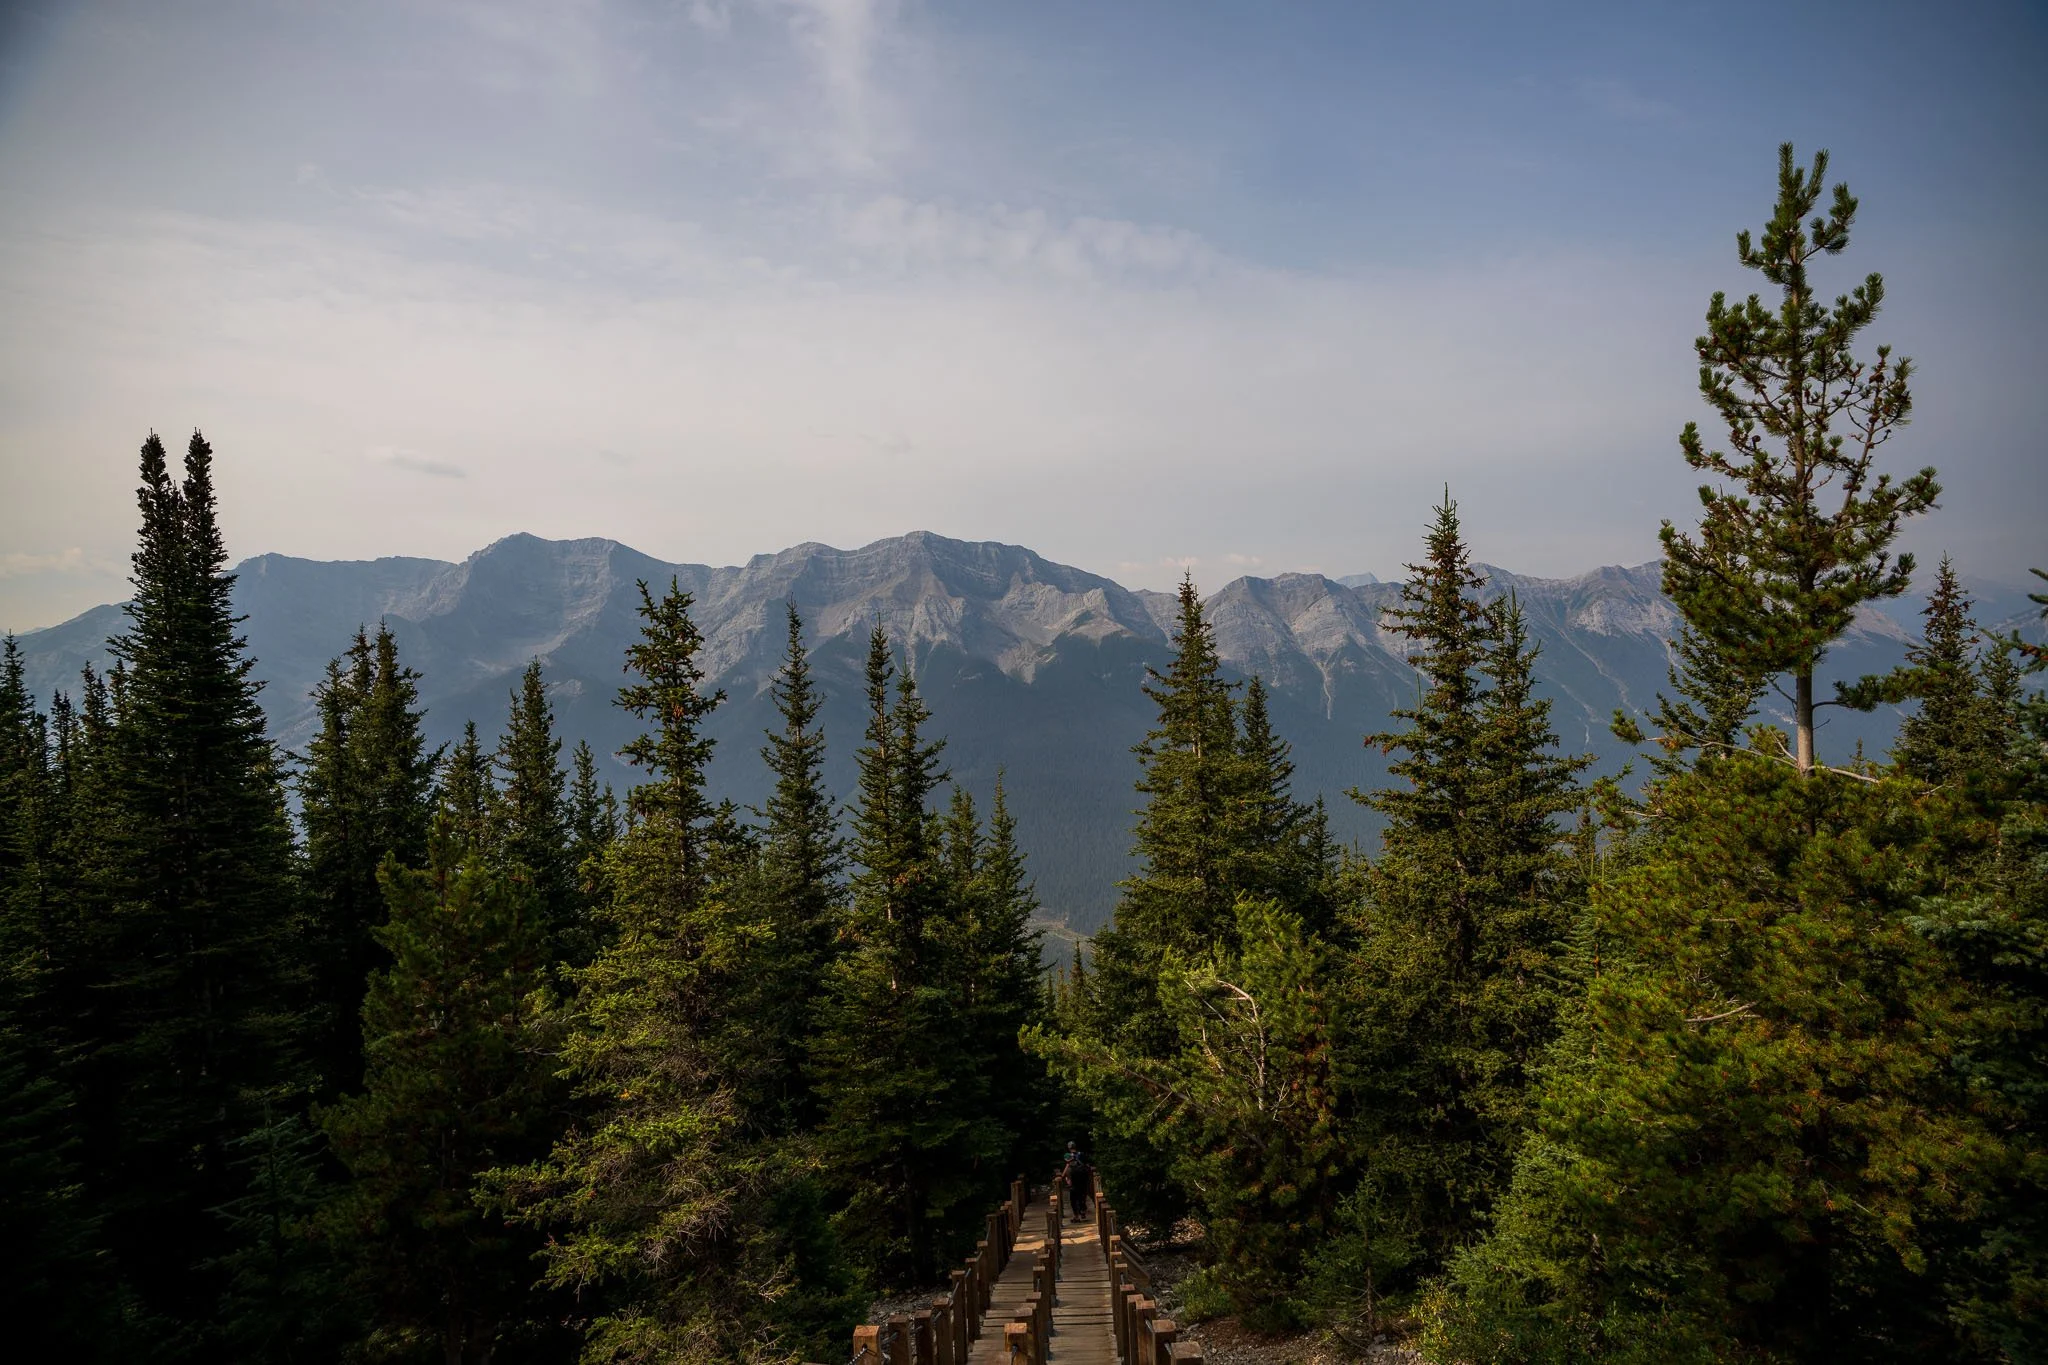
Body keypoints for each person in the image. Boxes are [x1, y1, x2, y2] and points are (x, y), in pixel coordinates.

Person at [1062, 1141, 1091, 1221]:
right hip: (1083, 1177)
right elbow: (1087, 1165)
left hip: (1074, 1177)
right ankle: (1083, 1211)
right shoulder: (1082, 1154)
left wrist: (1063, 1175)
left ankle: (1076, 1216)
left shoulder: (1068, 1155)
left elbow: (1068, 1165)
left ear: (1069, 1148)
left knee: (1073, 1196)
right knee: (1083, 1194)